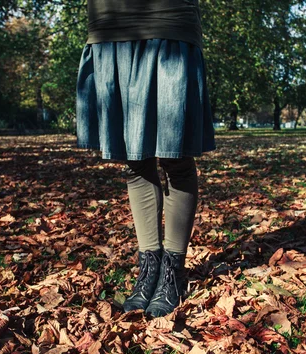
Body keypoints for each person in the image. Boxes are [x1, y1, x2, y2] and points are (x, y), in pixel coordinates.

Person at [76, 0, 216, 317]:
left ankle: (172, 274)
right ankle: (149, 269)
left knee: (175, 155)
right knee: (134, 159)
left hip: (167, 19)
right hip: (112, 23)